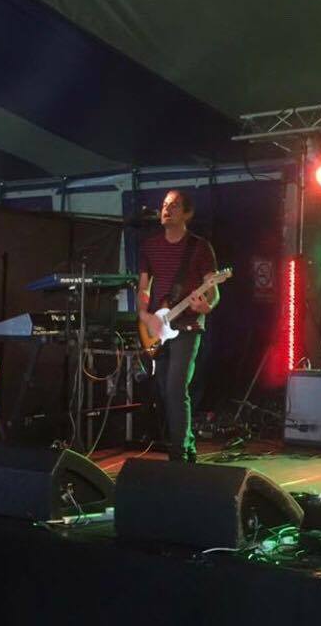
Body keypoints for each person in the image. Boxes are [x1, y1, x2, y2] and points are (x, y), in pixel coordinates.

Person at [138, 189, 219, 462]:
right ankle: (188, 442)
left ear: (187, 213)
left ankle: (179, 451)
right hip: (158, 327)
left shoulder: (199, 247)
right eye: (164, 204)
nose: (167, 209)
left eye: (174, 205)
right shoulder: (150, 246)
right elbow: (144, 288)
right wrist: (145, 315)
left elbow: (213, 289)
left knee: (175, 387)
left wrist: (207, 305)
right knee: (164, 388)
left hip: (188, 326)